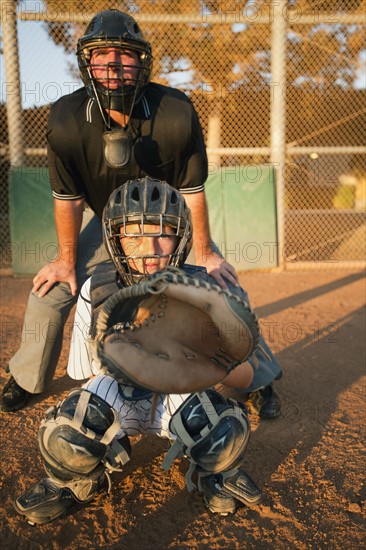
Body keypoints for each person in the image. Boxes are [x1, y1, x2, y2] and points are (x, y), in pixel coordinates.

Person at [0, 9, 281, 416]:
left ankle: (259, 379)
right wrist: (65, 262)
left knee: (221, 287)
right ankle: (26, 377)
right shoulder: (65, 118)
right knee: (51, 290)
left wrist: (204, 253)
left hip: (171, 221)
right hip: (108, 224)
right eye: (102, 55)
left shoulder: (174, 110)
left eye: (124, 54)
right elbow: (68, 199)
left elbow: (192, 191)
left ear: (142, 62)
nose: (113, 65)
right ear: (86, 63)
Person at [14, 178, 264, 525]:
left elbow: (246, 375)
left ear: (182, 238)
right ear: (114, 239)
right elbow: (89, 375)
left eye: (163, 233)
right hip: (121, 399)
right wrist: (107, 431)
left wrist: (210, 358)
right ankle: (77, 481)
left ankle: (214, 474)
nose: (149, 246)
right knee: (71, 427)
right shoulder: (96, 288)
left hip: (178, 398)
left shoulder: (203, 292)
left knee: (220, 427)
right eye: (134, 234)